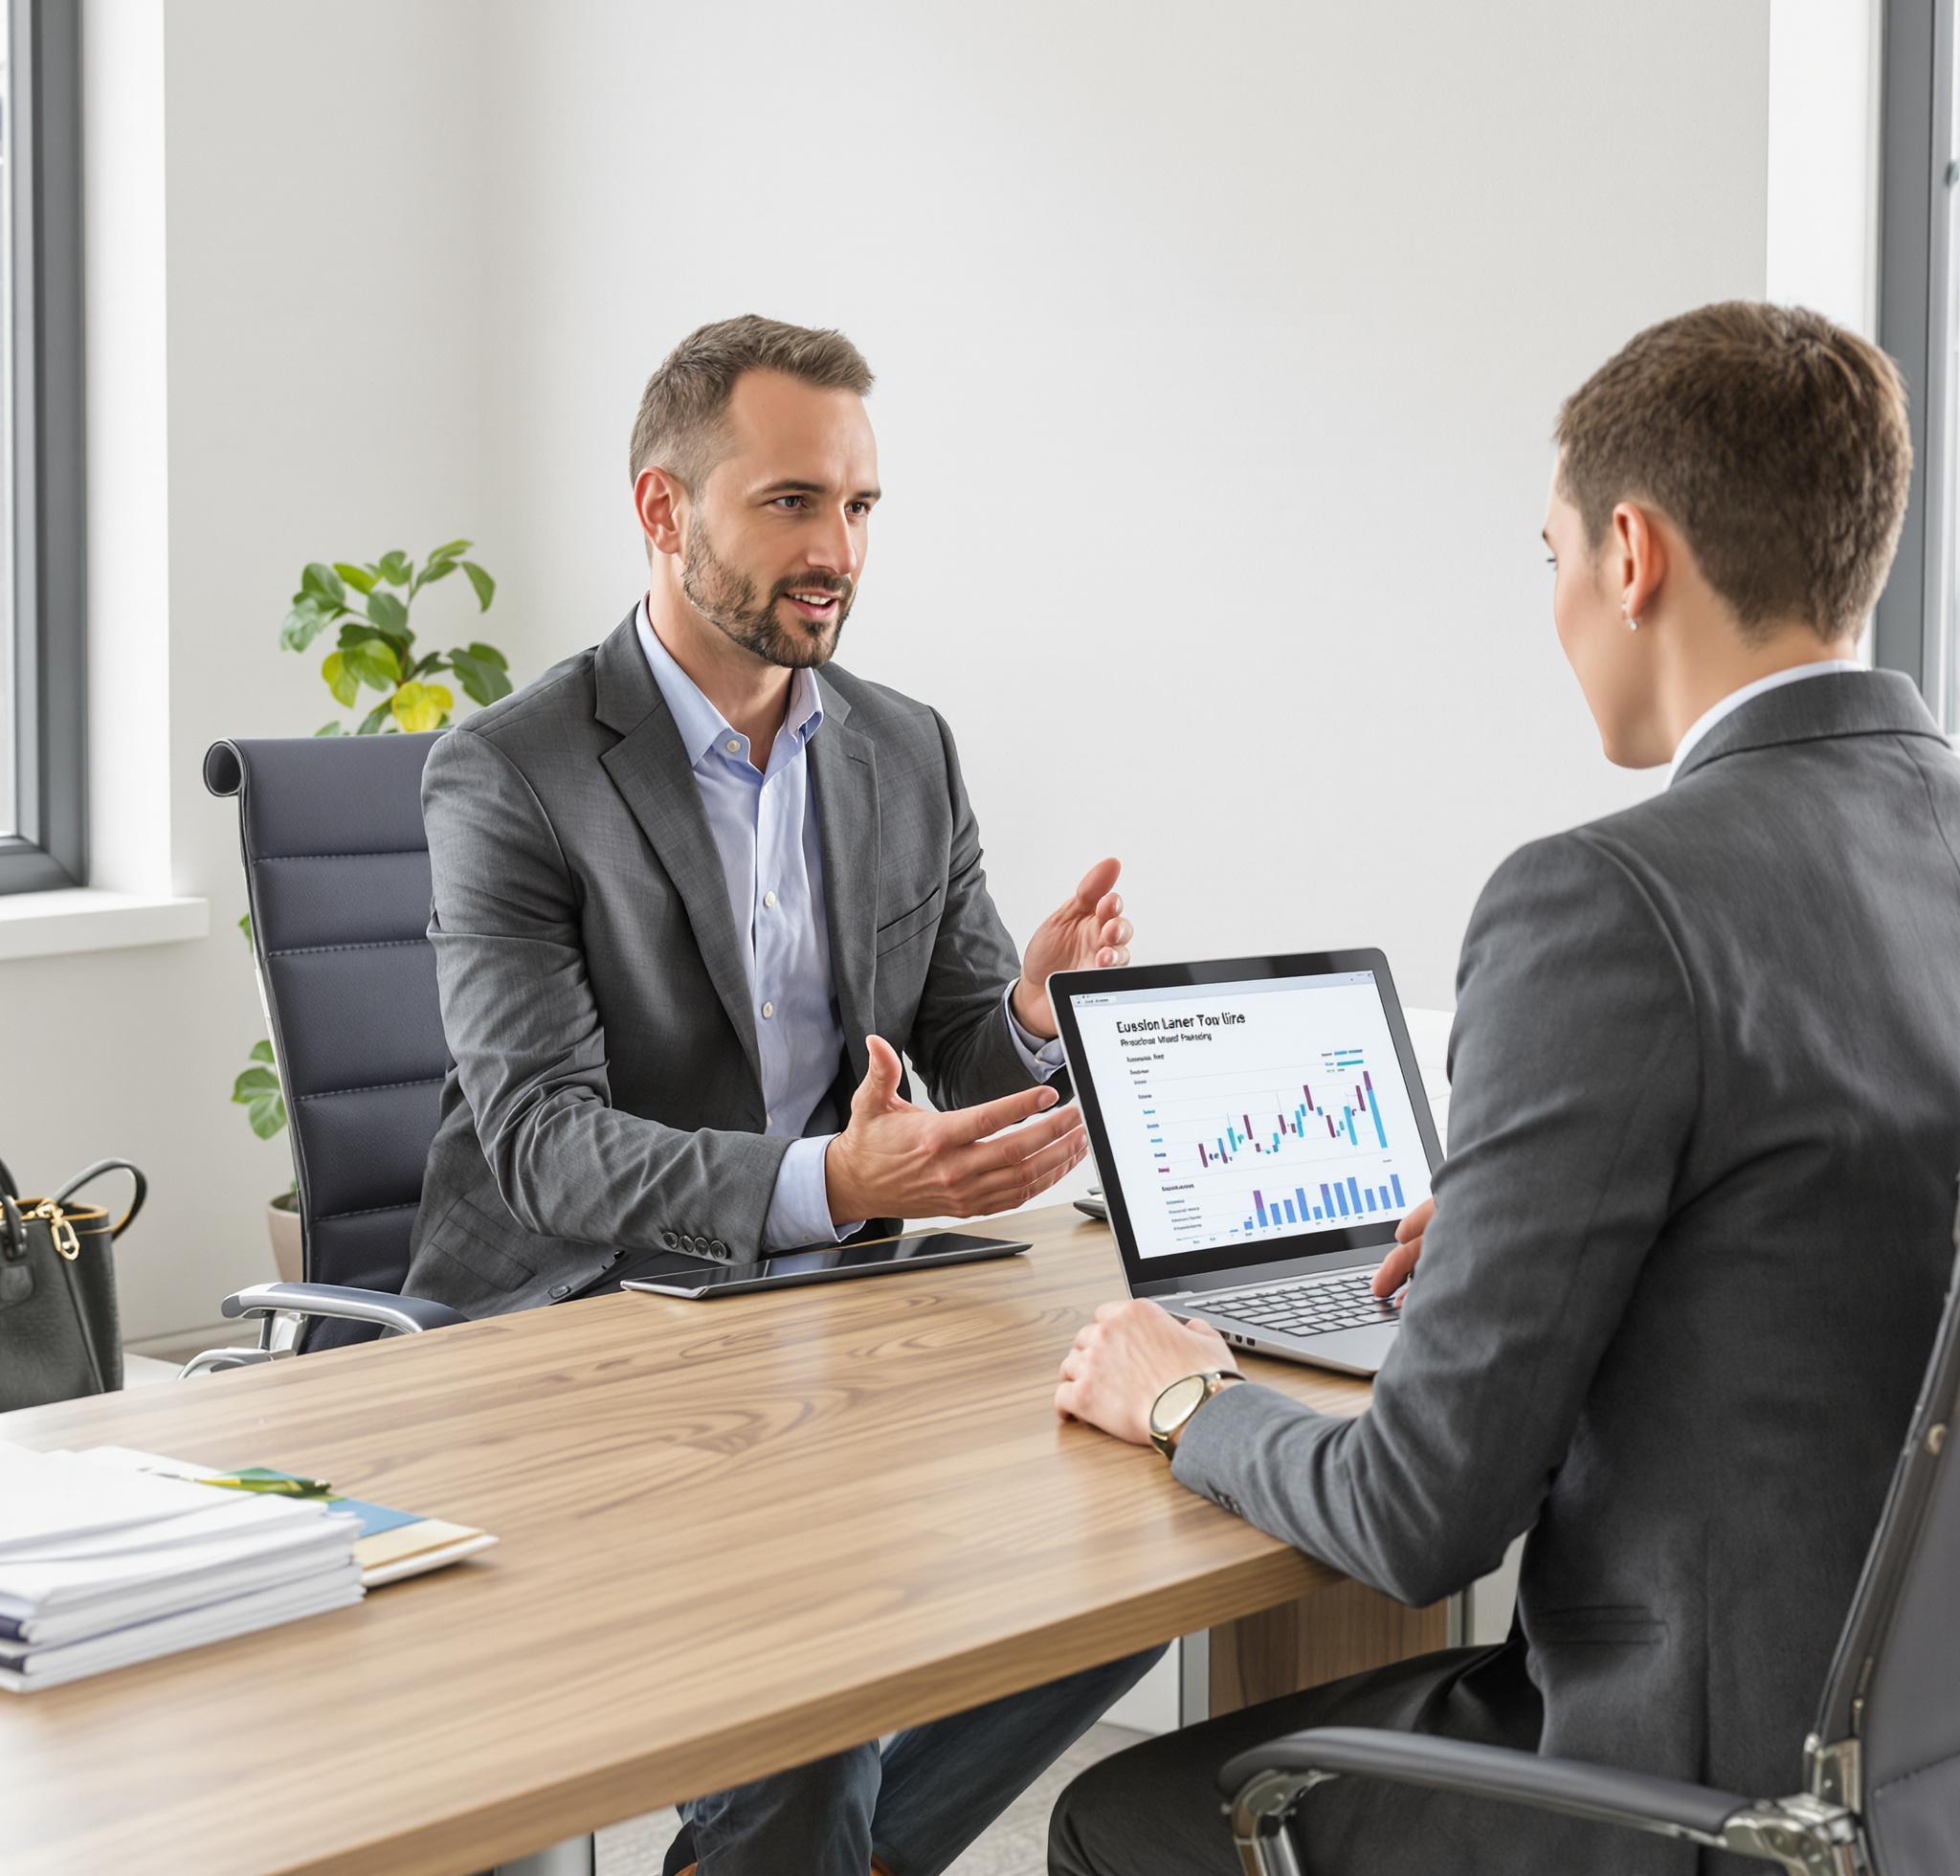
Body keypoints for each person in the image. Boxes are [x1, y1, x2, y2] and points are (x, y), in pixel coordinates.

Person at [1047, 302, 1960, 1876]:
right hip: (1921, 1768)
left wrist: (1181, 1393)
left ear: (1631, 551)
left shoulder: (1601, 903)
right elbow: (1830, 1233)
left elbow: (1419, 1520)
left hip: (1700, 1790)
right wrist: (1515, 1233)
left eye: (1547, 556)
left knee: (1118, 1819)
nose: (1553, 605)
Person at [402, 315, 1159, 1875]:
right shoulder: (516, 770)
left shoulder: (902, 747)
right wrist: (836, 1185)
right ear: (664, 512)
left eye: (860, 508)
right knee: (813, 1718)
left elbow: (947, 1040)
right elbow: (543, 1143)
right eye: (792, 503)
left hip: (838, 1330)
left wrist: (1023, 1007)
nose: (837, 552)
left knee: (1157, 1532)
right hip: (587, 1336)